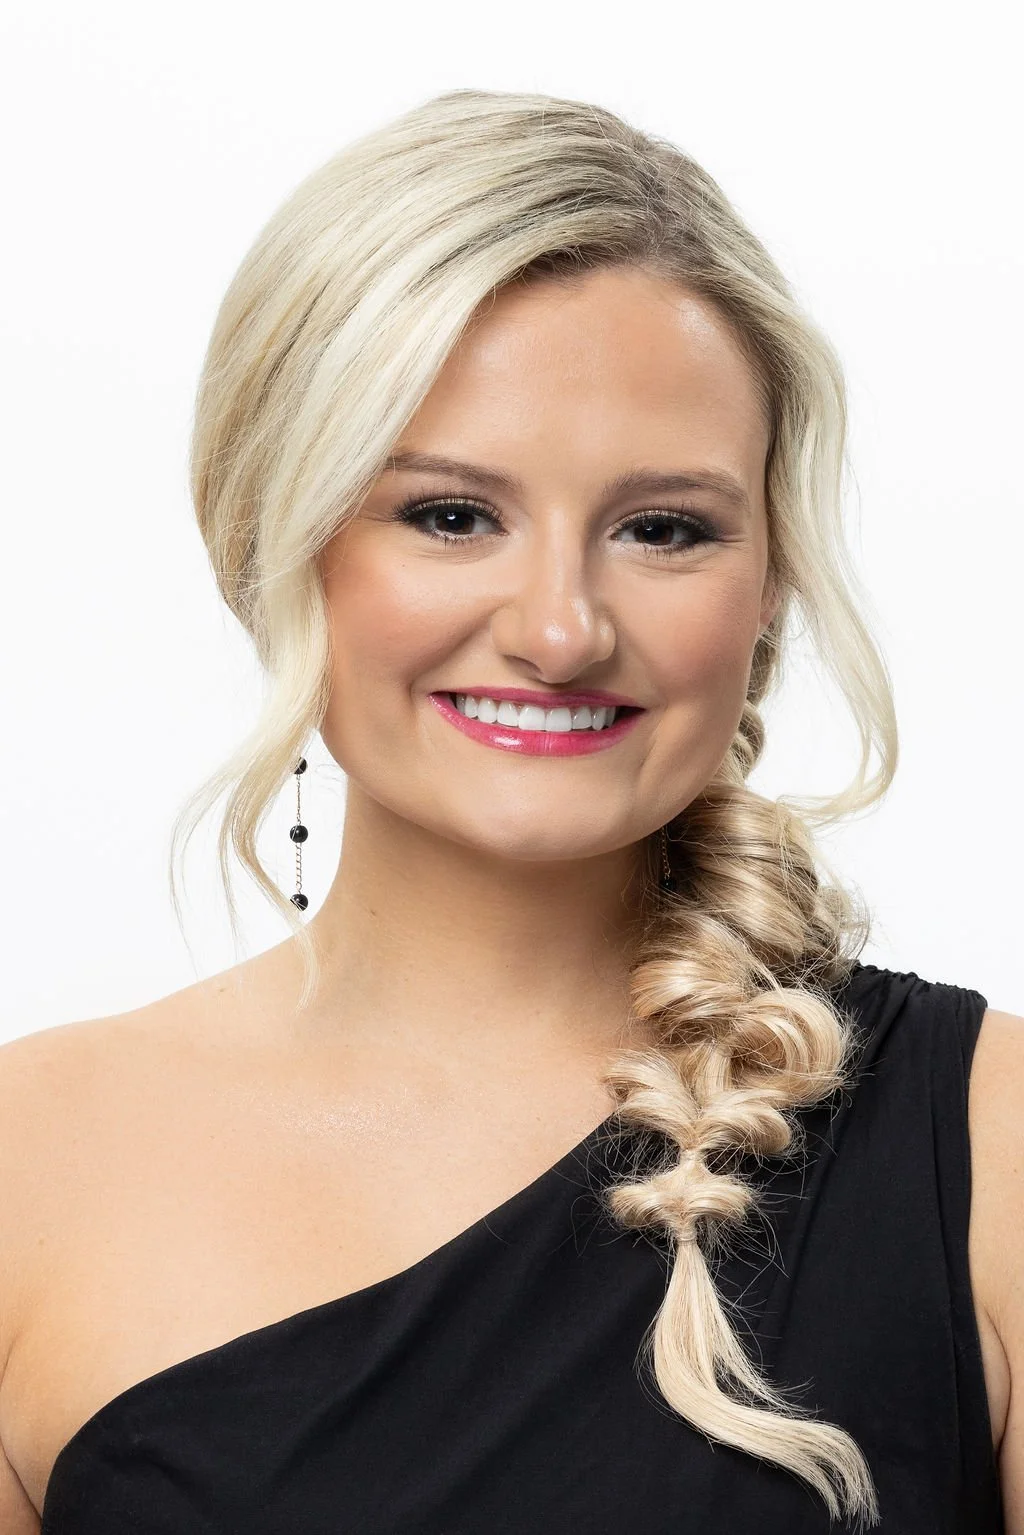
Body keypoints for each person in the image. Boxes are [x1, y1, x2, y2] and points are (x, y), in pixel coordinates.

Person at [0, 87, 1020, 1534]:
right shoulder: (27, 1166)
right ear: (267, 535)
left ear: (770, 580)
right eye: (450, 514)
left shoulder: (991, 1144)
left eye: (663, 528)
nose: (558, 630)